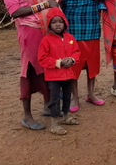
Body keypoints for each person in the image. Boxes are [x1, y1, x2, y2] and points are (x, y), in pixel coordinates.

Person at [0, 0, 60, 130]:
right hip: (28, 31)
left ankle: (48, 106)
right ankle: (27, 116)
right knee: (31, 69)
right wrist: (45, 5)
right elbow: (14, 11)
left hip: (43, 28)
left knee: (47, 66)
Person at [38, 7, 80, 135]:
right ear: (50, 24)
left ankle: (66, 117)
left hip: (68, 75)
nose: (58, 24)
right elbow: (42, 58)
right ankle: (54, 124)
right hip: (54, 76)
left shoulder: (70, 38)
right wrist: (58, 62)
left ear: (65, 23)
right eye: (54, 22)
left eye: (60, 22)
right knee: (55, 99)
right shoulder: (46, 40)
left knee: (67, 96)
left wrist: (72, 60)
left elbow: (76, 52)